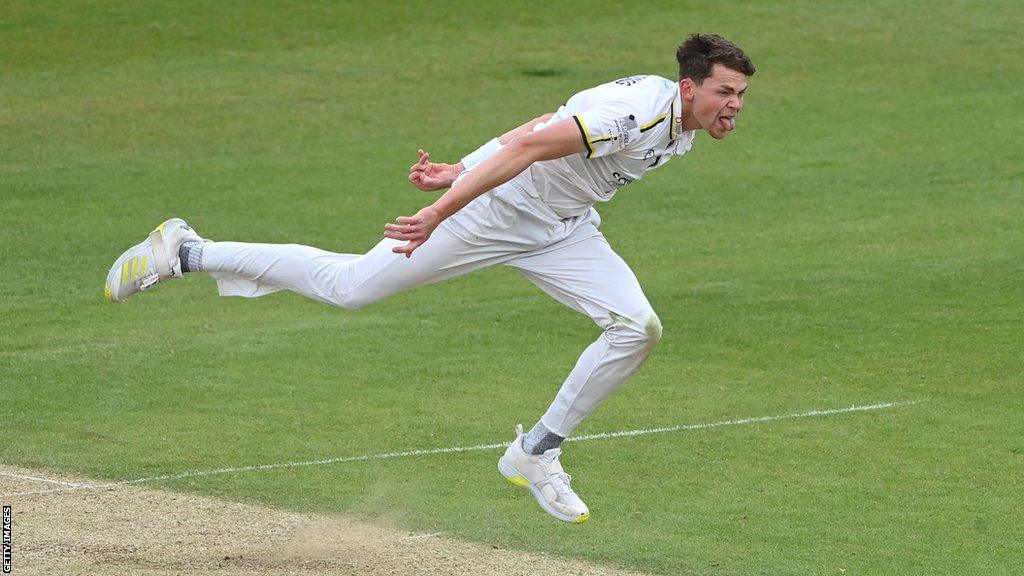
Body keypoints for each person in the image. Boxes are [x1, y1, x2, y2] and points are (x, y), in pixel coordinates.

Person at [105, 33, 755, 524]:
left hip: (561, 228)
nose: (735, 106)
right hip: (491, 214)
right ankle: (186, 250)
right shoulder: (636, 113)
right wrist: (445, 205)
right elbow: (532, 146)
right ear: (691, 86)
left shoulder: (679, 124)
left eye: (742, 95)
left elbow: (539, 126)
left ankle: (535, 453)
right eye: (726, 92)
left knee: (636, 326)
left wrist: (459, 166)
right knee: (352, 286)